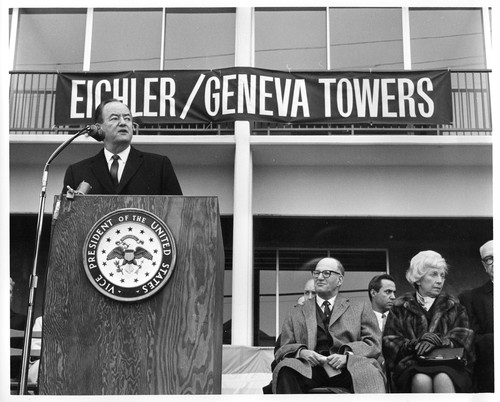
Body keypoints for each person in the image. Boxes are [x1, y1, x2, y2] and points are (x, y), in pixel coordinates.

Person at [271, 257, 386, 393]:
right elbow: (283, 348)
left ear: (340, 280)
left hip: (349, 367)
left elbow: (373, 343)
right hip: (309, 368)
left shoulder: (360, 308)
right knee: (286, 369)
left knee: (369, 372)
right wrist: (301, 352)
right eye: (316, 273)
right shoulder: (296, 311)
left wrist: (347, 356)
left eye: (326, 273)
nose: (319, 277)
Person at [383, 250, 474, 393]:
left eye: (442, 275)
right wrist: (415, 343)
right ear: (418, 279)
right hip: (413, 364)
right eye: (433, 274)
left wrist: (442, 342)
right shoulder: (400, 306)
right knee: (421, 380)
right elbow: (391, 343)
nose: (439, 280)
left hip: (449, 363)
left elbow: (464, 337)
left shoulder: (454, 305)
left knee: (443, 378)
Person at [62, 99, 182, 195]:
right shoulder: (77, 172)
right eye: (114, 118)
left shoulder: (159, 166)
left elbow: (177, 212)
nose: (123, 123)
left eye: (127, 118)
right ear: (99, 127)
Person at [459, 240, 494, 392]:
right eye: (489, 259)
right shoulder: (470, 298)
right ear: (484, 265)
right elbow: (471, 339)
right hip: (490, 368)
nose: (495, 262)